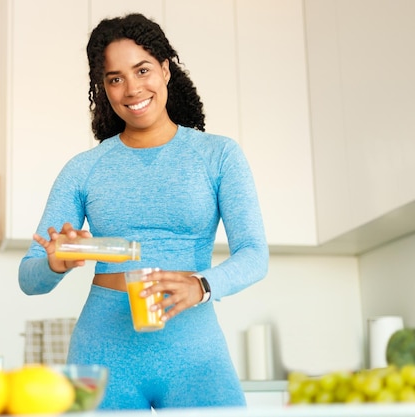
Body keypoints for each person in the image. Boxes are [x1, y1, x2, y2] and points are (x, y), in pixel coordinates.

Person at [19, 13, 269, 410]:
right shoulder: (84, 168)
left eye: (143, 70)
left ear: (166, 70)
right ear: (103, 88)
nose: (132, 88)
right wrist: (56, 262)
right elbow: (28, 278)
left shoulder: (218, 155)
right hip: (102, 354)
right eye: (115, 78)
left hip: (195, 353)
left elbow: (255, 255)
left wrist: (202, 286)